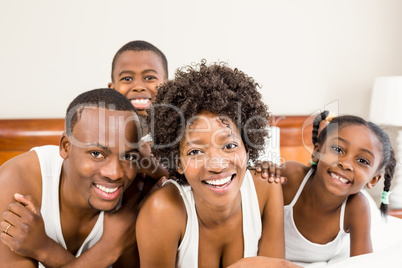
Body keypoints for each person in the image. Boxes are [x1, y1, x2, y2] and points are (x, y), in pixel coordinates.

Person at [136, 61, 298, 267]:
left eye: (229, 145)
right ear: (178, 162)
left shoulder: (266, 189)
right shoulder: (163, 210)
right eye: (195, 151)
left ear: (247, 147)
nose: (217, 164)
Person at [0, 88, 143, 267]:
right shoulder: (15, 181)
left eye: (128, 157)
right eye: (97, 154)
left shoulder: (135, 196)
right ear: (66, 146)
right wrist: (109, 248)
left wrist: (44, 249)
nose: (115, 173)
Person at [276, 111, 396, 263]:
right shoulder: (291, 177)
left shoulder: (356, 207)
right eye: (338, 150)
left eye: (362, 161)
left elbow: (363, 264)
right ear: (317, 152)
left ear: (373, 179)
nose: (345, 164)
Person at [108, 40, 169, 191]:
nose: (139, 87)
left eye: (149, 78)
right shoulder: (101, 133)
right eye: (127, 79)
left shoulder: (180, 134)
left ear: (167, 85)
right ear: (112, 88)